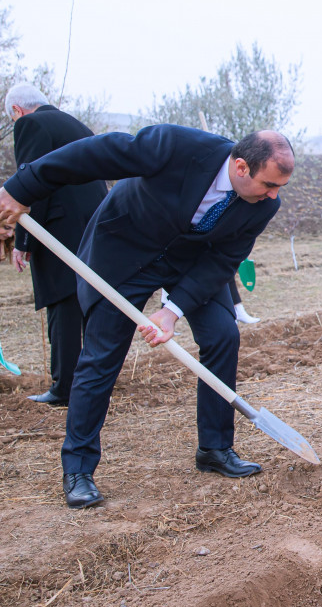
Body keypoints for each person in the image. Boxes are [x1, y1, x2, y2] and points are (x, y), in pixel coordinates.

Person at [0, 125, 294, 509]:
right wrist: (22, 188)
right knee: (102, 355)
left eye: (279, 188)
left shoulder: (264, 205)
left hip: (189, 261)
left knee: (223, 334)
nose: (274, 195)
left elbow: (224, 259)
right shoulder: (176, 147)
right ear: (240, 166)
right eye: (269, 184)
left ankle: (216, 449)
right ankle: (78, 468)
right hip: (124, 252)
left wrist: (172, 312)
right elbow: (92, 154)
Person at [5, 84, 108, 406]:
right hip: (95, 225)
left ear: (17, 111)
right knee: (89, 302)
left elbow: (32, 183)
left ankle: (64, 388)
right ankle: (94, 381)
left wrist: (23, 240)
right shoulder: (76, 124)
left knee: (62, 305)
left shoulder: (30, 125)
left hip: (59, 228)